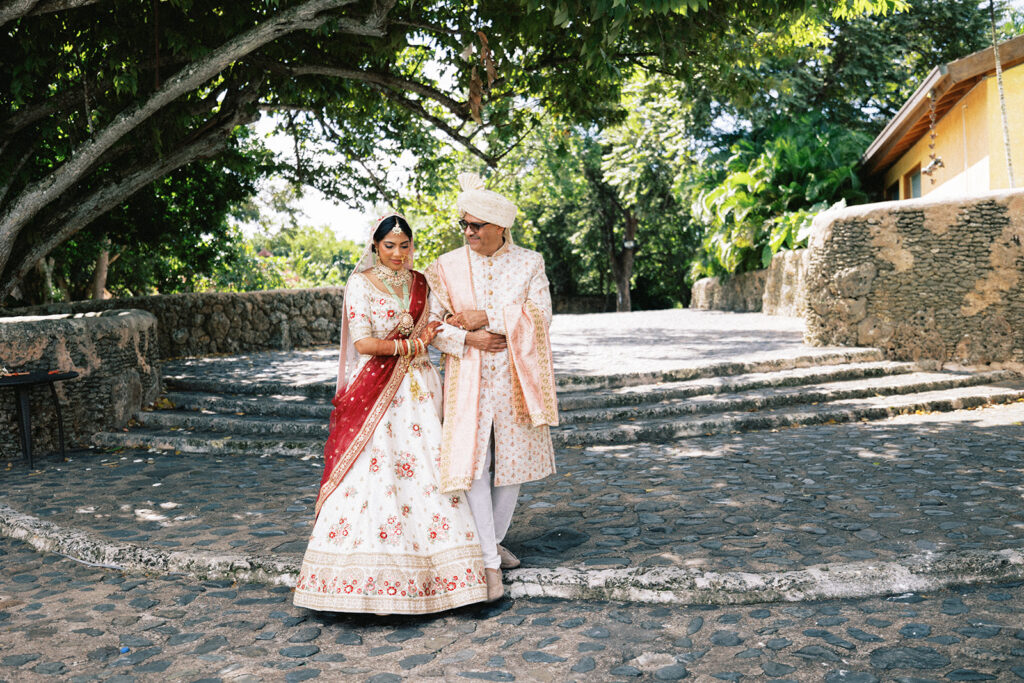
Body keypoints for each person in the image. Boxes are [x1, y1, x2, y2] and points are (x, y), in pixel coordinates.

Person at [293, 213, 488, 614]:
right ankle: (357, 580)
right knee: (375, 476)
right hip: (378, 394)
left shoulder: (422, 283)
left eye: (405, 245)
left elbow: (434, 326)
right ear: (375, 247)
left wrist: (457, 334)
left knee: (430, 472)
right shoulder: (360, 284)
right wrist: (410, 348)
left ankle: (450, 579)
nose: (399, 254)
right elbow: (364, 344)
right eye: (389, 246)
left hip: (420, 391)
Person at [424, 173, 558, 602]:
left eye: (476, 225)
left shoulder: (529, 262)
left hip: (517, 377)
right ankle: (487, 562)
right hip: (467, 375)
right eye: (463, 224)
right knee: (473, 461)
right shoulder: (446, 266)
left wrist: (488, 318)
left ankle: (492, 538)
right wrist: (468, 338)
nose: (468, 232)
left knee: (513, 463)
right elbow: (431, 323)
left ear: (501, 226)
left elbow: (541, 315)